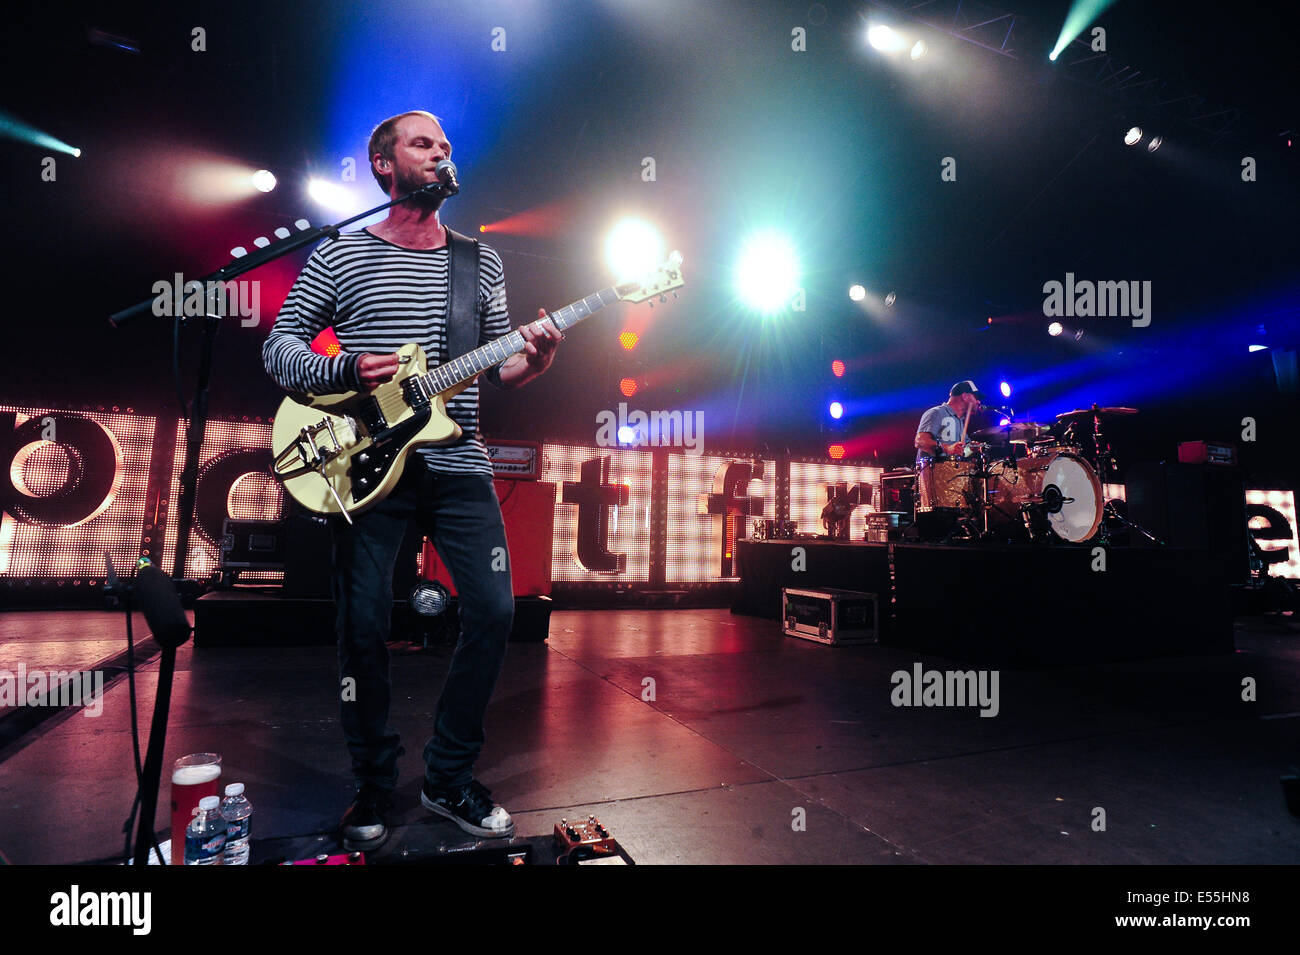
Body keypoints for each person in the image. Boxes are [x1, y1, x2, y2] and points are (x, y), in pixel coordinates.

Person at [262, 110, 562, 850]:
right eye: (424, 143)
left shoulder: (478, 262)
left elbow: (504, 367)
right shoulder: (341, 255)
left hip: (459, 463)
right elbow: (280, 345)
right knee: (362, 626)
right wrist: (341, 369)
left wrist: (541, 355)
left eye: (448, 146)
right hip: (365, 466)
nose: (442, 152)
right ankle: (371, 781)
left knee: (493, 611)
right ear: (384, 165)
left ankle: (448, 775)